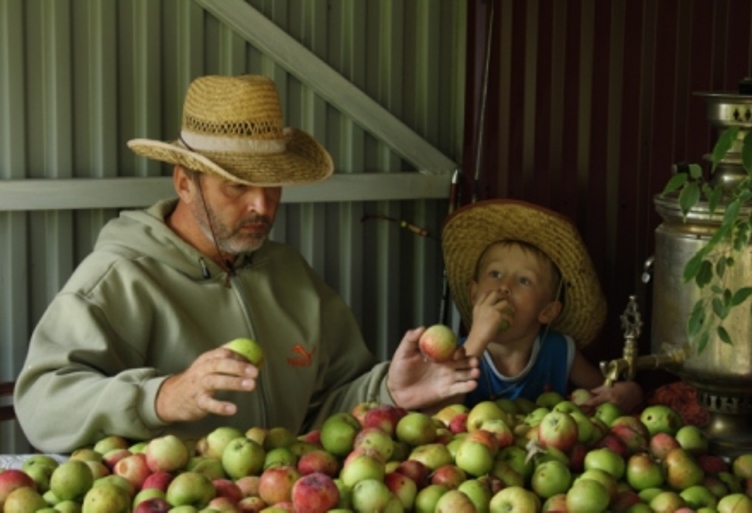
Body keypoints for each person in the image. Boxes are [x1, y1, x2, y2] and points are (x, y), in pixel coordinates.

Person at [13, 74, 480, 453]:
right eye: (236, 186)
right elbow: (41, 404)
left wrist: (391, 393)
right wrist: (161, 397)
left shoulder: (290, 274)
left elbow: (328, 408)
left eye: (273, 184)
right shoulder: (120, 280)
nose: (263, 205)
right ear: (184, 183)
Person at [441, 198, 643, 414]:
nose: (504, 286)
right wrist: (477, 339)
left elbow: (606, 391)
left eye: (524, 280)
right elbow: (439, 408)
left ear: (547, 311)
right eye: (495, 274)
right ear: (474, 294)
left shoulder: (558, 351)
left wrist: (632, 391)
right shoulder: (459, 353)